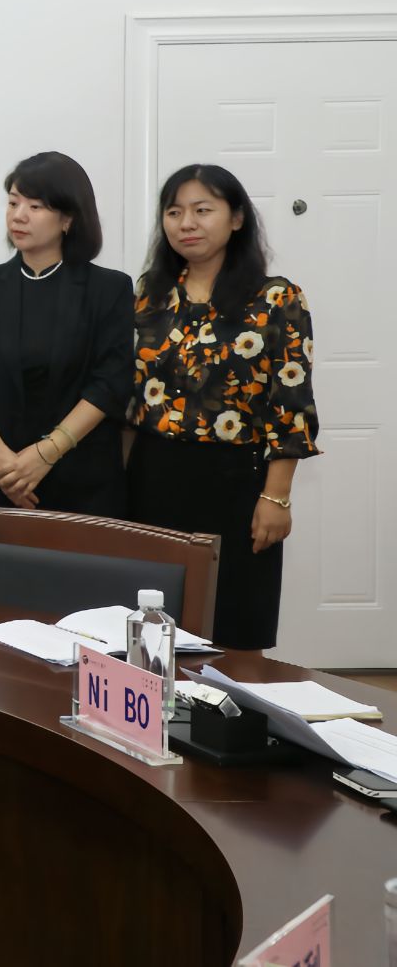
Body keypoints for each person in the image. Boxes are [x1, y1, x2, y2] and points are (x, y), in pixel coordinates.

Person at [129, 164, 318, 650]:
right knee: (152, 630)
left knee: (234, 628)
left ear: (236, 219)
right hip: (152, 476)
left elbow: (291, 405)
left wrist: (277, 497)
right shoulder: (149, 295)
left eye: (202, 210)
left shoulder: (277, 297)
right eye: (174, 212)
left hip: (237, 481)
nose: (186, 223)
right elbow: (129, 395)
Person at [0, 153, 132, 518]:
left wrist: (44, 455)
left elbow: (110, 384)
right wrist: (4, 463)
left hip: (80, 479)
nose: (18, 216)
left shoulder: (108, 288)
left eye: (35, 206)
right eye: (13, 203)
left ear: (68, 219)